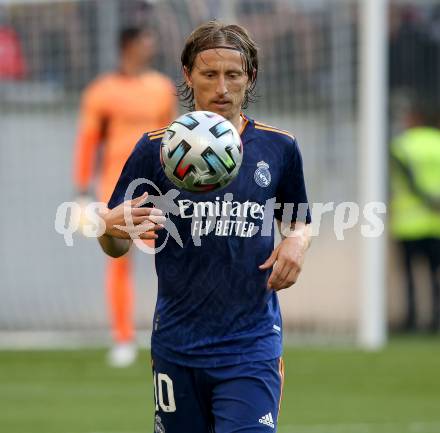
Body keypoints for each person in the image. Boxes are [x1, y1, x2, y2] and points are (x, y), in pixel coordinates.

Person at [99, 21, 311, 432]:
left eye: (233, 75)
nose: (222, 88)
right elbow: (117, 244)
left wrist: (298, 243)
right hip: (178, 344)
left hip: (250, 345)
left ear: (250, 77)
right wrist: (107, 228)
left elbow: (298, 224)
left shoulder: (279, 148)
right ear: (187, 75)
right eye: (209, 74)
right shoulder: (154, 149)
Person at [73, 26, 177, 367]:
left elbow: (174, 138)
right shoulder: (102, 92)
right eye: (147, 39)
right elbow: (88, 142)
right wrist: (81, 190)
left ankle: (176, 330)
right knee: (119, 261)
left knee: (178, 255)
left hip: (160, 187)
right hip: (117, 188)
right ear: (129, 45)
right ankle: (123, 338)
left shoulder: (161, 88)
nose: (152, 44)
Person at [390, 101, 440, 332]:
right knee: (434, 274)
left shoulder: (401, 145)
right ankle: (435, 320)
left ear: (413, 119)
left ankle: (411, 320)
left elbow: (405, 181)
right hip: (435, 222)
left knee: (410, 276)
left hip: (408, 223)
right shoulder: (437, 142)